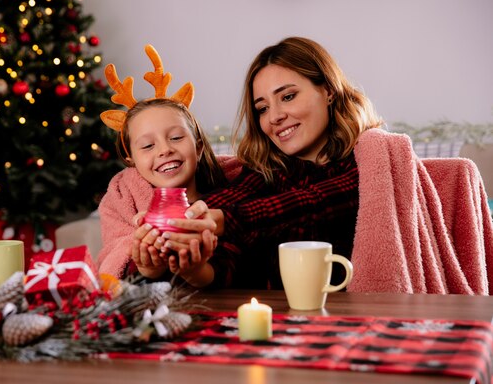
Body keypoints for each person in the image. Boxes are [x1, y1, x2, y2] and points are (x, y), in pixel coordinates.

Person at [165, 36, 493, 293]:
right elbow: (229, 214)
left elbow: (310, 202)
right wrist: (176, 222)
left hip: (363, 320)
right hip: (285, 324)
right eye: (262, 108)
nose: (275, 116)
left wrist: (223, 220)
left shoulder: (371, 159)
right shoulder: (267, 170)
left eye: (288, 96)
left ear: (329, 91)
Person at [96, 44, 241, 288]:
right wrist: (146, 264)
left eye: (175, 138)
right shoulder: (122, 203)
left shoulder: (233, 190)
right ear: (131, 159)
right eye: (147, 146)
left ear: (198, 146)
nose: (165, 150)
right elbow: (115, 260)